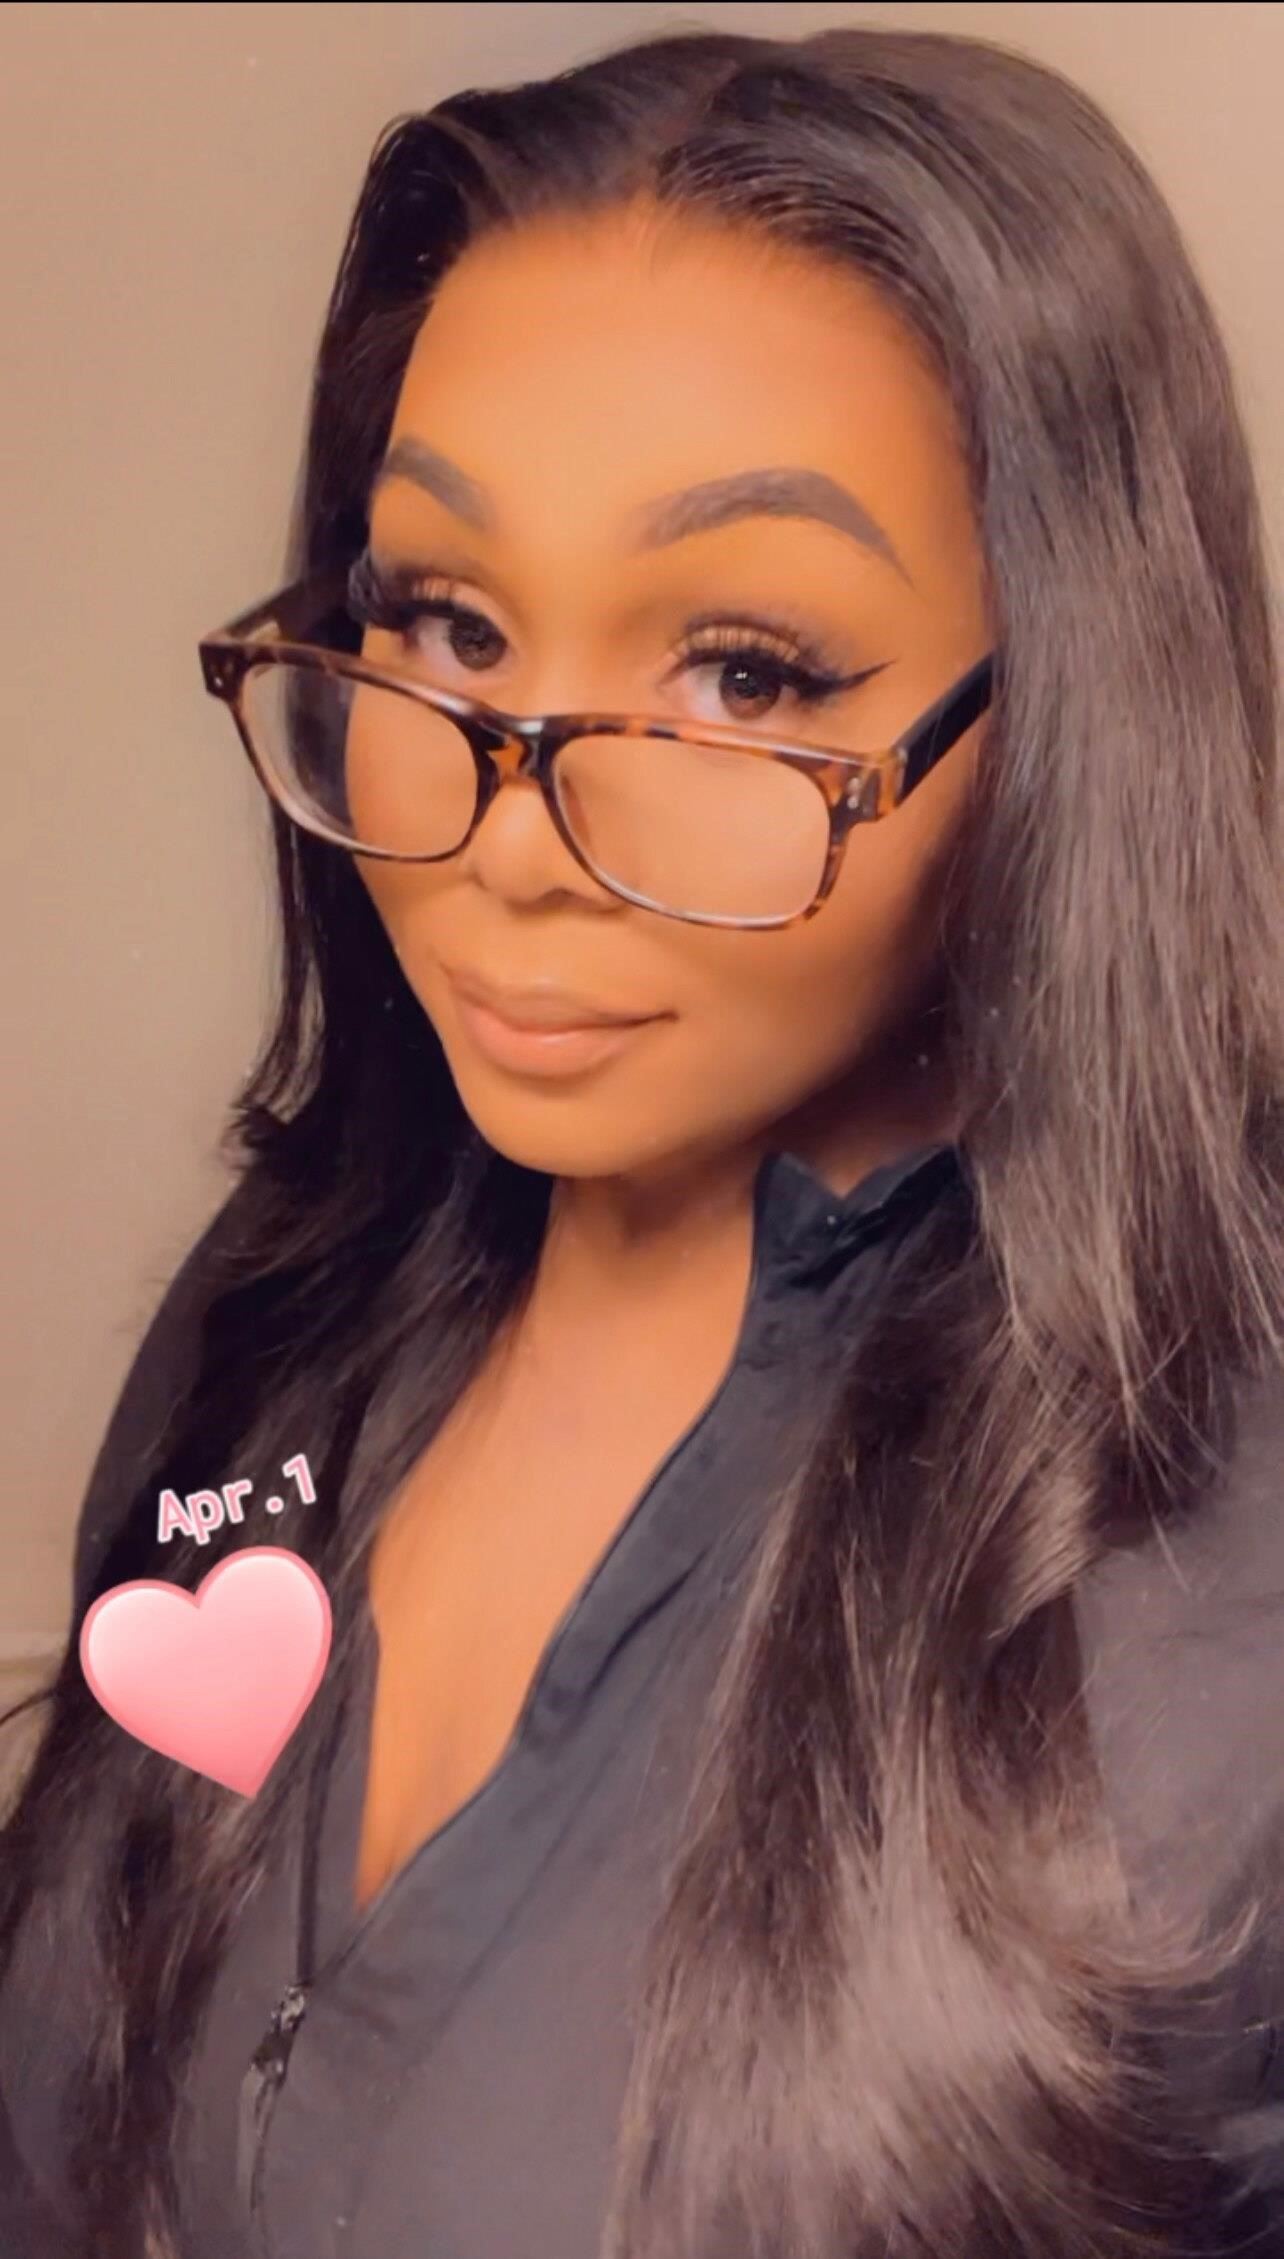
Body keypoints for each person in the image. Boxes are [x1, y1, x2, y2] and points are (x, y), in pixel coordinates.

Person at [1, 21, 1281, 2259]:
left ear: (1065, 708)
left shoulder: (1223, 1583)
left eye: (746, 672)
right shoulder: (284, 1307)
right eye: (449, 623)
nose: (511, 844)